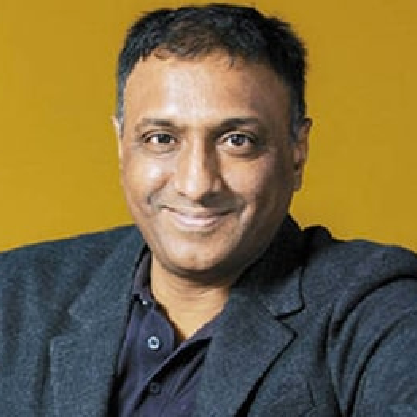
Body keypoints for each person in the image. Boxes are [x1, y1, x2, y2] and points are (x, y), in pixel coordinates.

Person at [1, 3, 417, 416]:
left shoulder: (374, 306)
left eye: (237, 140)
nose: (196, 185)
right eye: (161, 139)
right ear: (121, 144)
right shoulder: (14, 293)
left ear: (297, 151)